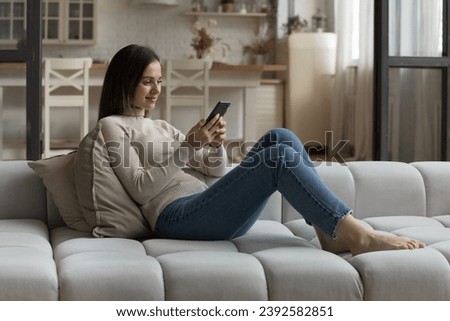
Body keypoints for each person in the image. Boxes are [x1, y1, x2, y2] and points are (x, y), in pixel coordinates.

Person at [96, 44, 424, 256]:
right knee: (276, 158)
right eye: (147, 82)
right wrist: (186, 148)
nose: (156, 90)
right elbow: (139, 189)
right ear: (125, 82)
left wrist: (213, 145)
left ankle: (327, 230)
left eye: (160, 81)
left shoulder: (163, 126)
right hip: (175, 218)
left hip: (205, 208)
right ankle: (356, 235)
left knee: (279, 136)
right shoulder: (113, 126)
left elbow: (216, 170)